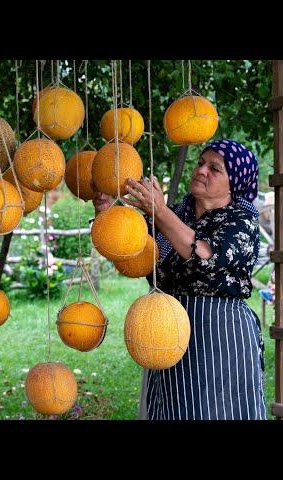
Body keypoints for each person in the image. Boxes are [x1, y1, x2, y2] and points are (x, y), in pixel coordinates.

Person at [92, 139, 267, 420]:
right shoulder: (176, 213)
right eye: (200, 163)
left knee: (217, 411)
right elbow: (135, 254)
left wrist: (160, 212)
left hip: (219, 335)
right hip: (166, 330)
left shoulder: (241, 221)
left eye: (215, 168)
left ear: (235, 181)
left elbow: (207, 257)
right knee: (175, 410)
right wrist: (107, 212)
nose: (201, 171)